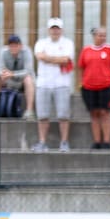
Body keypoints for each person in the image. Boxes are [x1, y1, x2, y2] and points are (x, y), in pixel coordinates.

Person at [32, 18, 73, 152]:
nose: (55, 31)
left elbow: (66, 60)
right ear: (49, 30)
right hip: (43, 83)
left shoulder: (68, 43)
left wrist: (48, 58)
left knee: (63, 115)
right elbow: (39, 56)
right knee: (42, 115)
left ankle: (64, 142)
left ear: (61, 30)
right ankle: (42, 142)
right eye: (53, 28)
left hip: (62, 83)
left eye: (57, 28)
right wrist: (57, 59)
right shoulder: (41, 42)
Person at [79, 25, 110, 149]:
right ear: (94, 36)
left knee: (105, 113)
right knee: (94, 113)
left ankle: (106, 141)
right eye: (100, 35)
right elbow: (81, 67)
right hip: (89, 87)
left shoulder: (109, 50)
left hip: (106, 86)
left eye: (104, 35)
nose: (102, 38)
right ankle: (97, 141)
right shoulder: (86, 50)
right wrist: (82, 82)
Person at [0, 34, 29, 119]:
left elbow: (28, 71)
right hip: (8, 80)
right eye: (11, 45)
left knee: (28, 79)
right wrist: (4, 74)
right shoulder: (3, 52)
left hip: (21, 81)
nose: (13, 47)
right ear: (8, 46)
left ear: (20, 46)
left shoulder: (27, 52)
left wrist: (13, 74)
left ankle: (29, 111)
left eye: (16, 45)